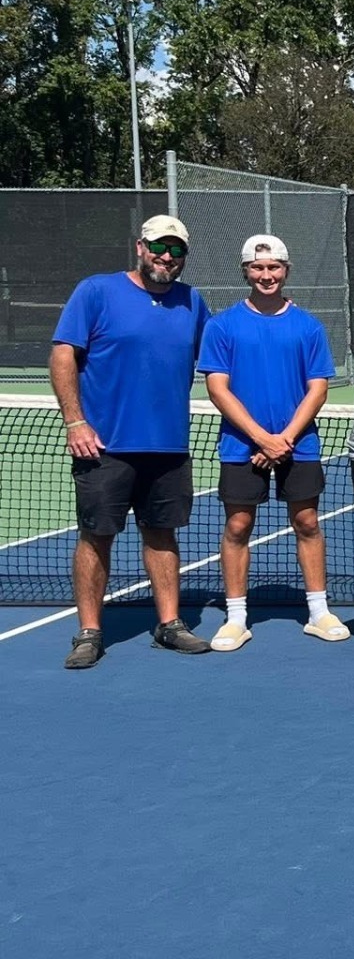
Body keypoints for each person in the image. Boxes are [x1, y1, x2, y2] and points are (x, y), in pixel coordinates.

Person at [52, 214, 213, 668]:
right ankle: (89, 632)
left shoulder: (192, 301)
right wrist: (75, 421)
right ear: (140, 246)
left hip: (169, 448)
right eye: (159, 247)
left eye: (176, 250)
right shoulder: (97, 291)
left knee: (162, 535)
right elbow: (63, 354)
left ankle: (169, 624)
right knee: (96, 536)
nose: (167, 256)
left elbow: (222, 353)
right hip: (103, 447)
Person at [197, 234, 337, 652]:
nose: (266, 274)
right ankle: (237, 617)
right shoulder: (222, 326)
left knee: (307, 522)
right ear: (245, 271)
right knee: (239, 526)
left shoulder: (308, 326)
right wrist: (262, 438)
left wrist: (285, 439)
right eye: (258, 267)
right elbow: (217, 388)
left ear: (286, 270)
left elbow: (318, 389)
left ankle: (318, 612)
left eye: (274, 267)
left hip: (300, 443)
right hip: (242, 445)